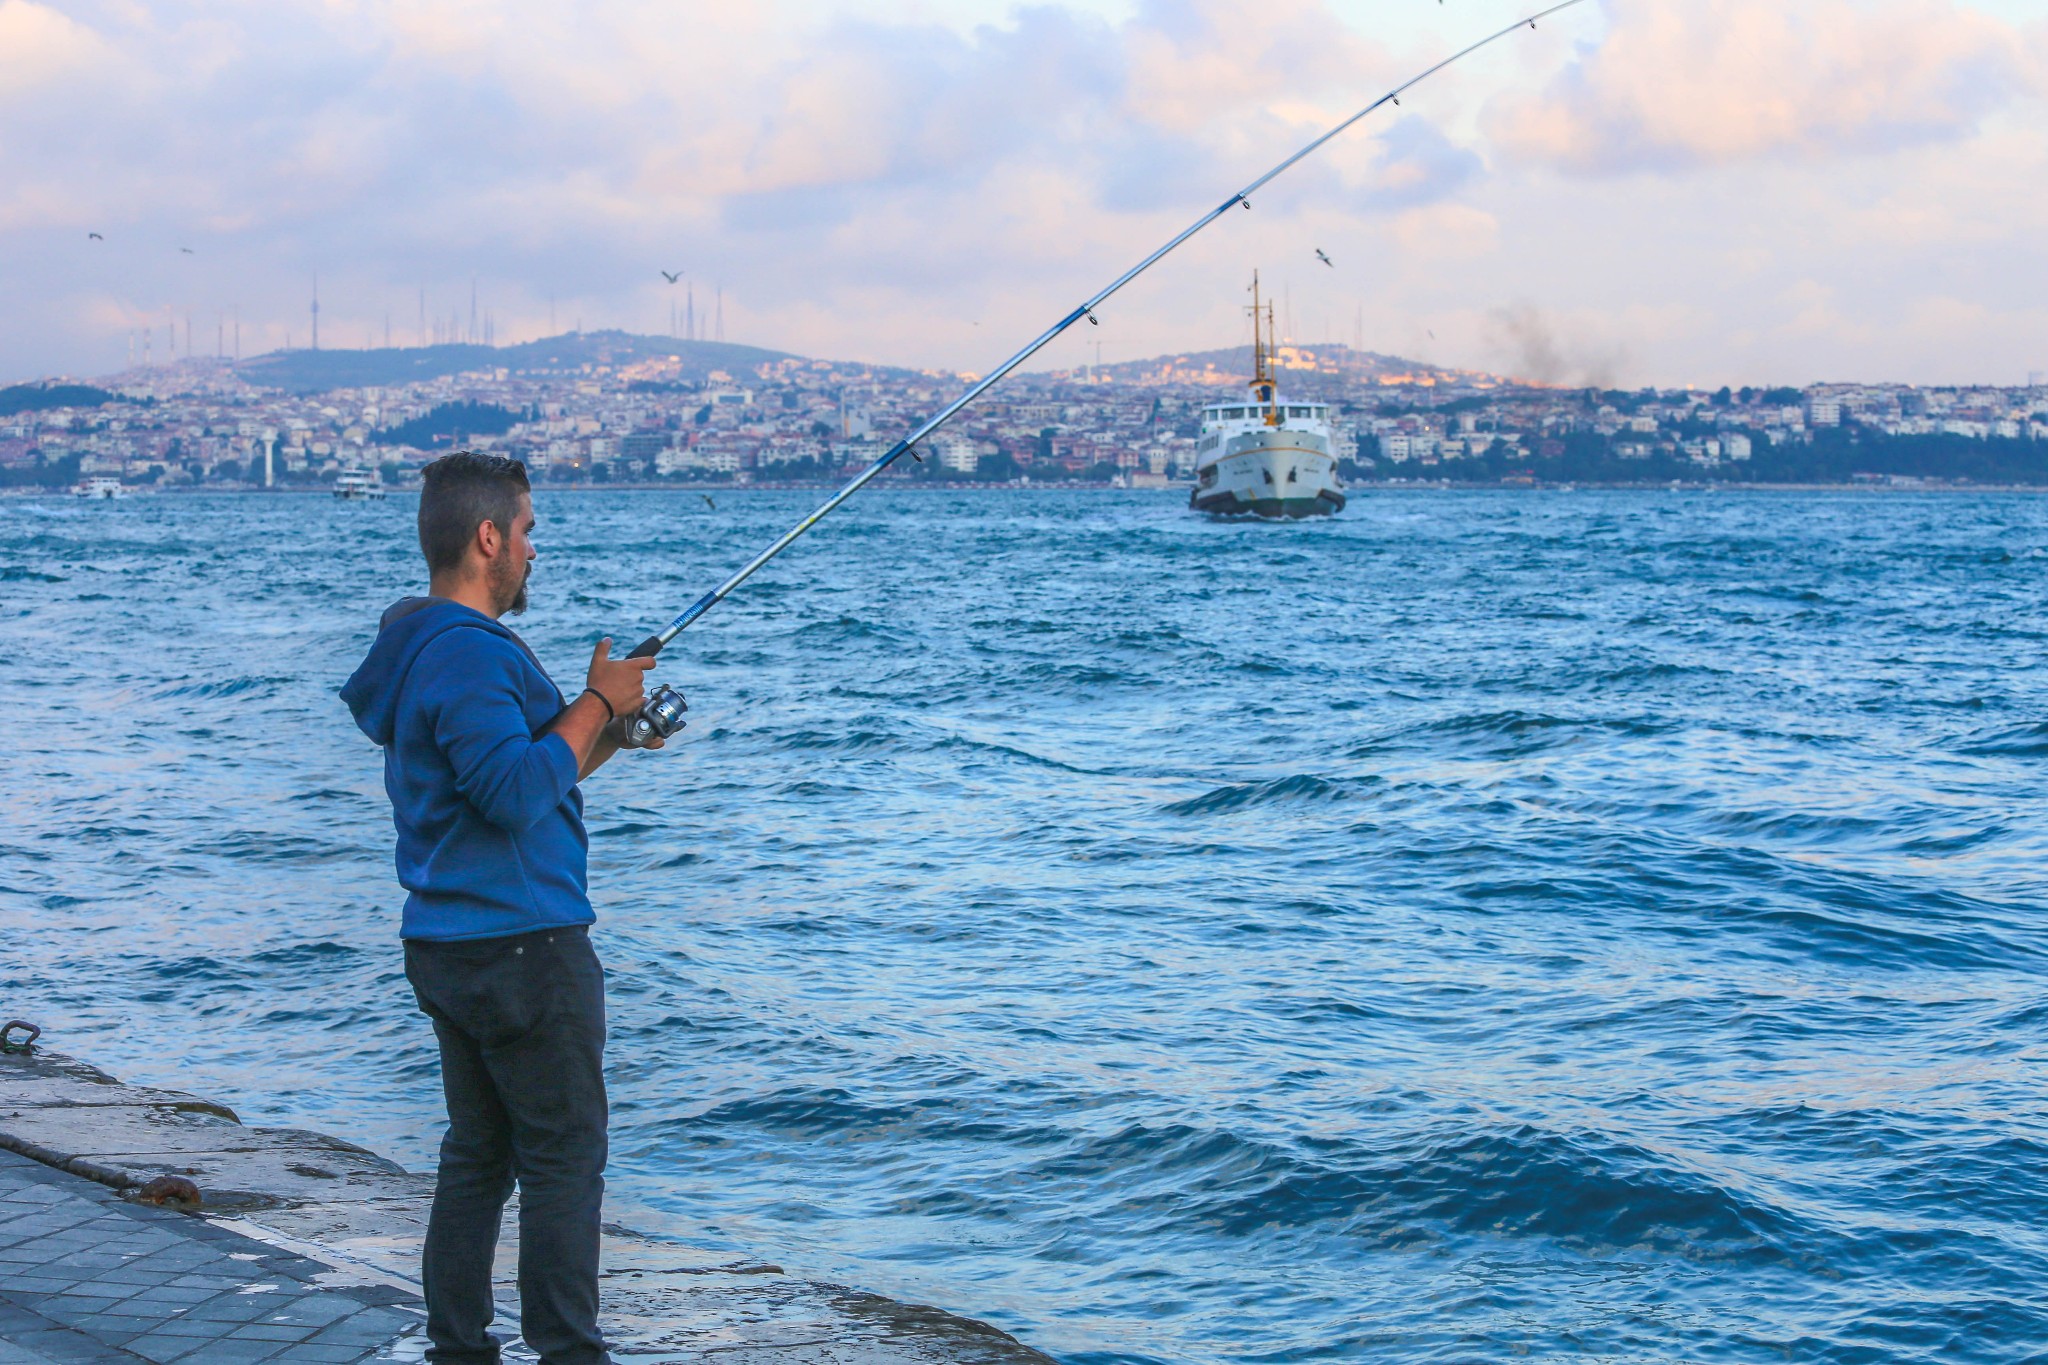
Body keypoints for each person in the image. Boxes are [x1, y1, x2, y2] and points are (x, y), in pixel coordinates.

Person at [341, 451, 666, 1364]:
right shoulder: (467, 654)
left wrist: (608, 731)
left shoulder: (419, 649)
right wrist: (598, 695)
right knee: (563, 1159)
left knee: (479, 1155)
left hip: (455, 944)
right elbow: (513, 791)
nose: (533, 548)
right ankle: (567, 1352)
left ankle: (459, 1349)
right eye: (526, 530)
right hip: (522, 947)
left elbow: (533, 779)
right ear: (488, 537)